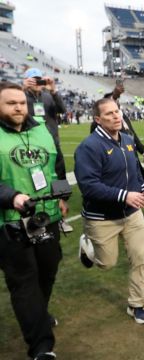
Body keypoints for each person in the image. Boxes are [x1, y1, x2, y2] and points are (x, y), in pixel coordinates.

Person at [0, 81, 67, 360]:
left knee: (48, 270)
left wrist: (63, 196)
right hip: (10, 223)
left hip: (45, 216)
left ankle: (37, 313)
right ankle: (41, 347)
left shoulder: (42, 129)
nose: (18, 107)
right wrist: (12, 196)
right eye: (10, 103)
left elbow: (58, 163)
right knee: (24, 280)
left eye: (21, 103)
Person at [74, 98, 144, 325]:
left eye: (117, 111)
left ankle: (136, 305)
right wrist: (124, 195)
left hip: (132, 213)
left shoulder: (127, 140)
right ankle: (87, 248)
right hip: (102, 217)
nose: (116, 116)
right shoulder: (89, 147)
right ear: (97, 120)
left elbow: (134, 170)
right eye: (109, 114)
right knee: (106, 263)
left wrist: (142, 188)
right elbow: (88, 186)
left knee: (140, 258)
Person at [22, 68, 71, 233]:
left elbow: (63, 111)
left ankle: (62, 211)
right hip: (31, 144)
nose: (37, 83)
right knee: (36, 179)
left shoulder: (48, 95)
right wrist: (21, 89)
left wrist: (54, 91)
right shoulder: (22, 97)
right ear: (27, 80)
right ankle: (36, 216)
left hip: (52, 143)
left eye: (39, 79)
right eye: (33, 79)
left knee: (59, 174)